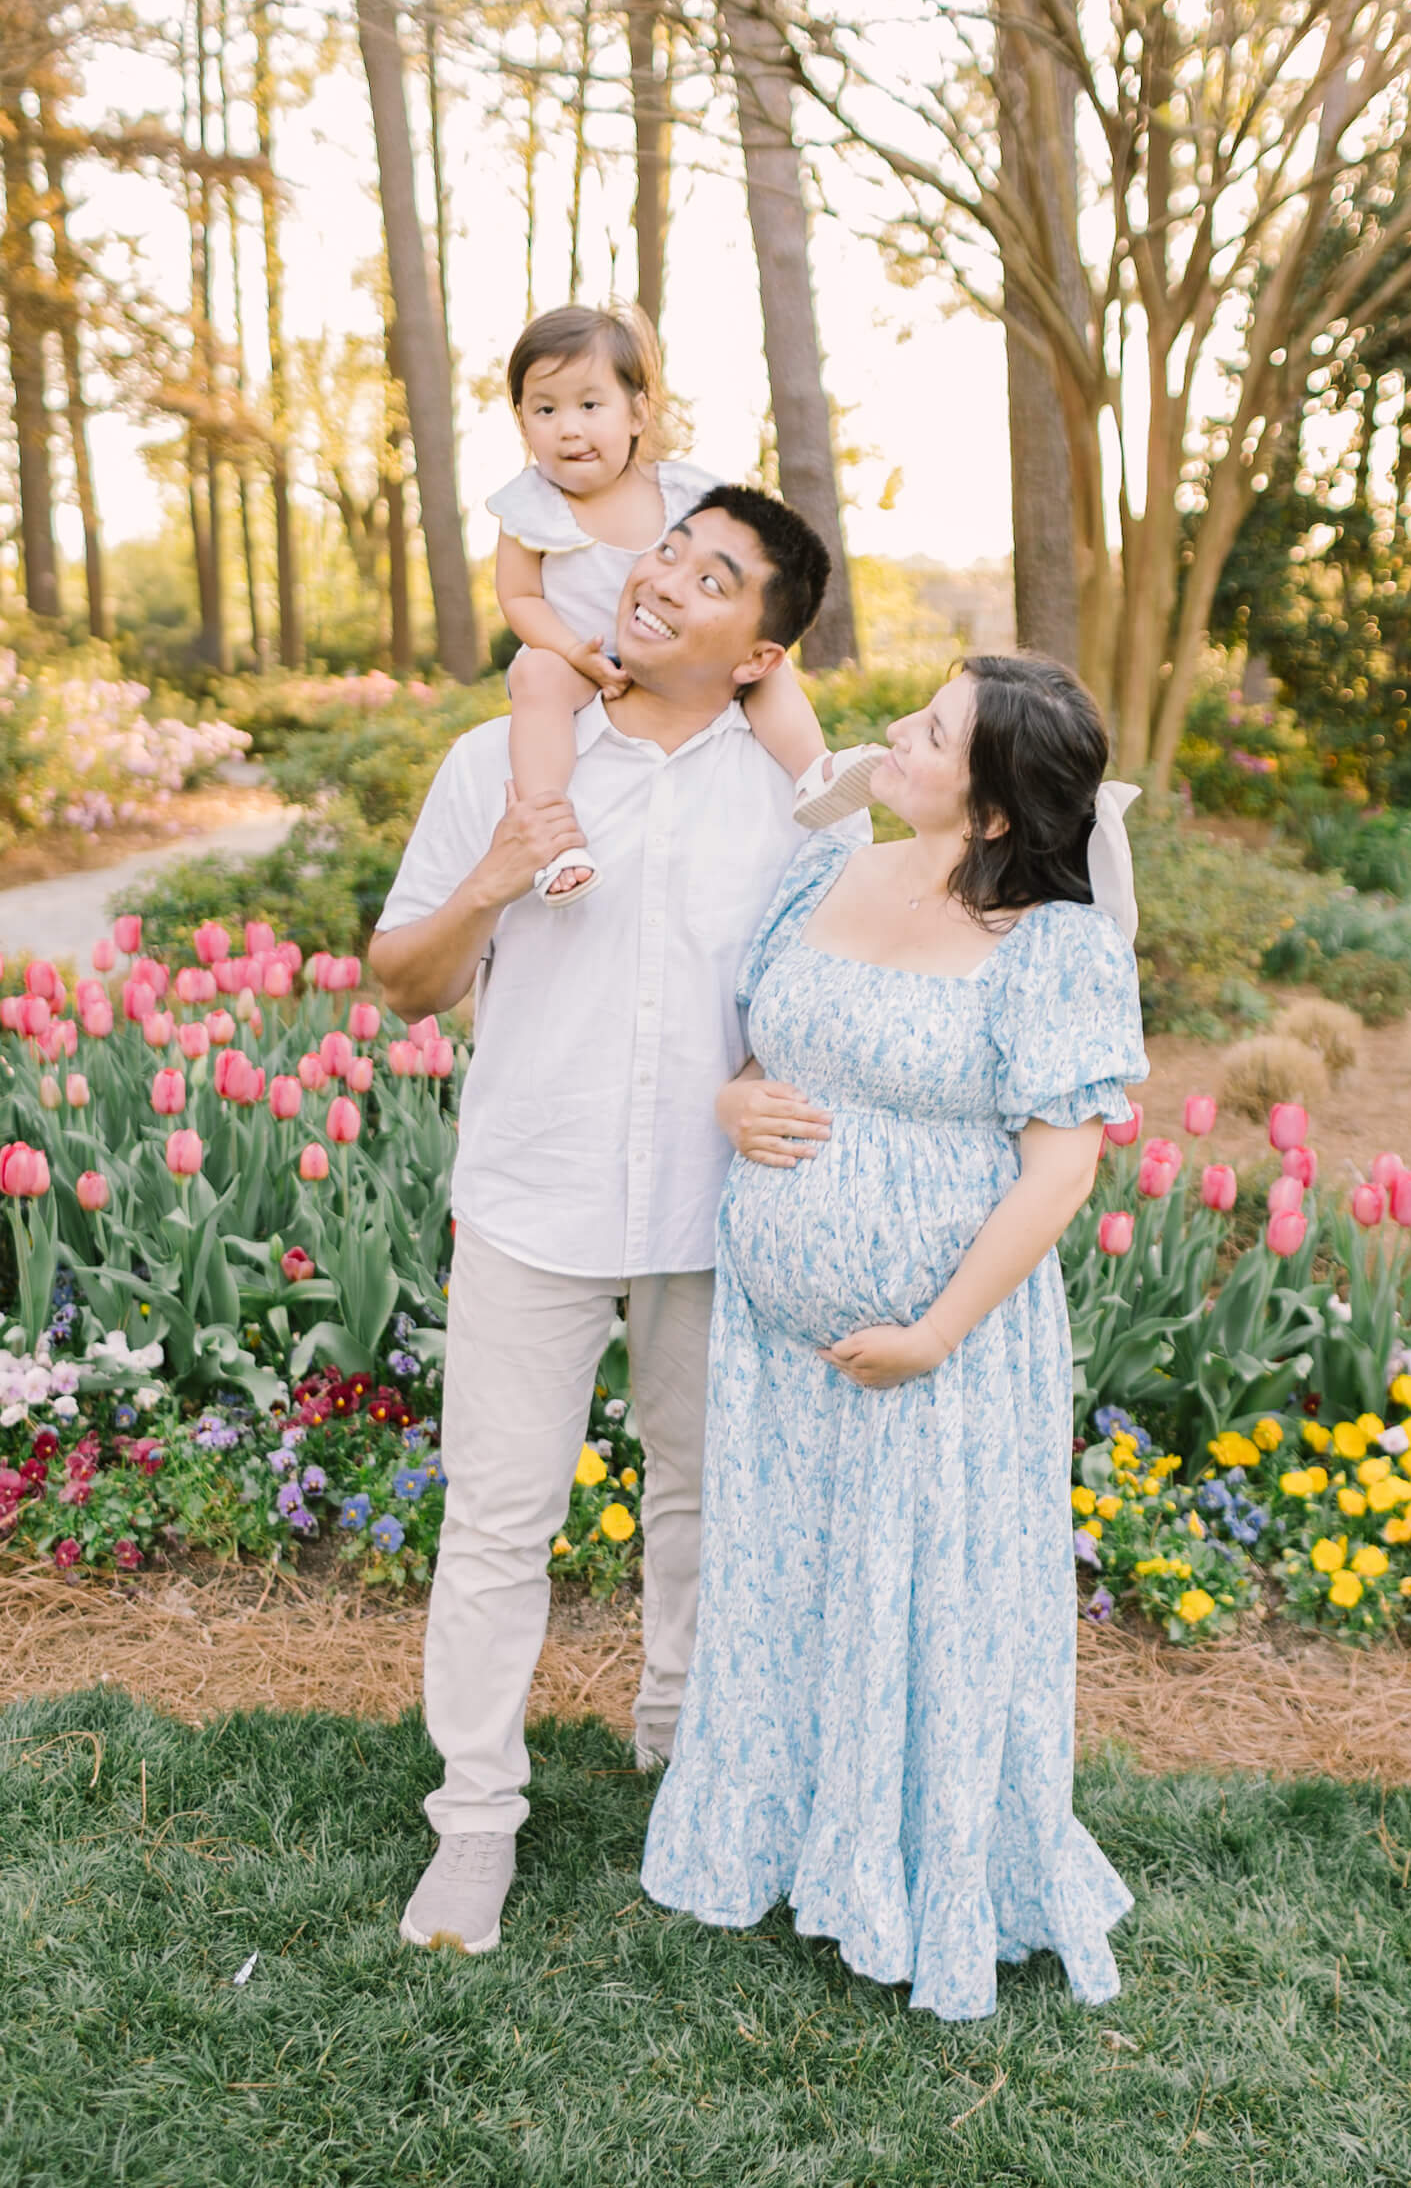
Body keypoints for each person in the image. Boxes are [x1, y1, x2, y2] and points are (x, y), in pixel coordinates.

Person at [367, 485, 865, 1959]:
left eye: (712, 577)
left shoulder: (790, 801)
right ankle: (473, 1825)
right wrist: (496, 878)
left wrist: (761, 1077)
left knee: (703, 1506)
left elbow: (822, 1000)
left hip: (717, 1223)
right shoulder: (499, 760)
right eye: (666, 548)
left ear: (763, 650)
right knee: (495, 1523)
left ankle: (678, 1746)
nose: (660, 579)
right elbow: (402, 977)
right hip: (530, 1198)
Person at [641, 655, 1148, 2022]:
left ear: (990, 811)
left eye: (929, 732)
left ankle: (913, 1864)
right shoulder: (830, 875)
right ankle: (790, 1834)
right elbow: (764, 1054)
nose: (895, 737)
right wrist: (737, 1106)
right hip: (779, 1349)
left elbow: (1059, 1172)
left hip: (943, 1354)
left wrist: (931, 1330)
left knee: (922, 1597)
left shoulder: (1052, 949)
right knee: (797, 1588)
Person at [488, 301, 883, 904]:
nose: (568, 427)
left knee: (766, 671)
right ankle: (551, 833)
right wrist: (573, 650)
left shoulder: (682, 490)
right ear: (523, 421)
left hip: (683, 659)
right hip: (583, 659)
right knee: (533, 675)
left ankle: (813, 771)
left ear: (638, 412)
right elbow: (518, 596)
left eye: (590, 406)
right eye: (545, 409)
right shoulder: (529, 508)